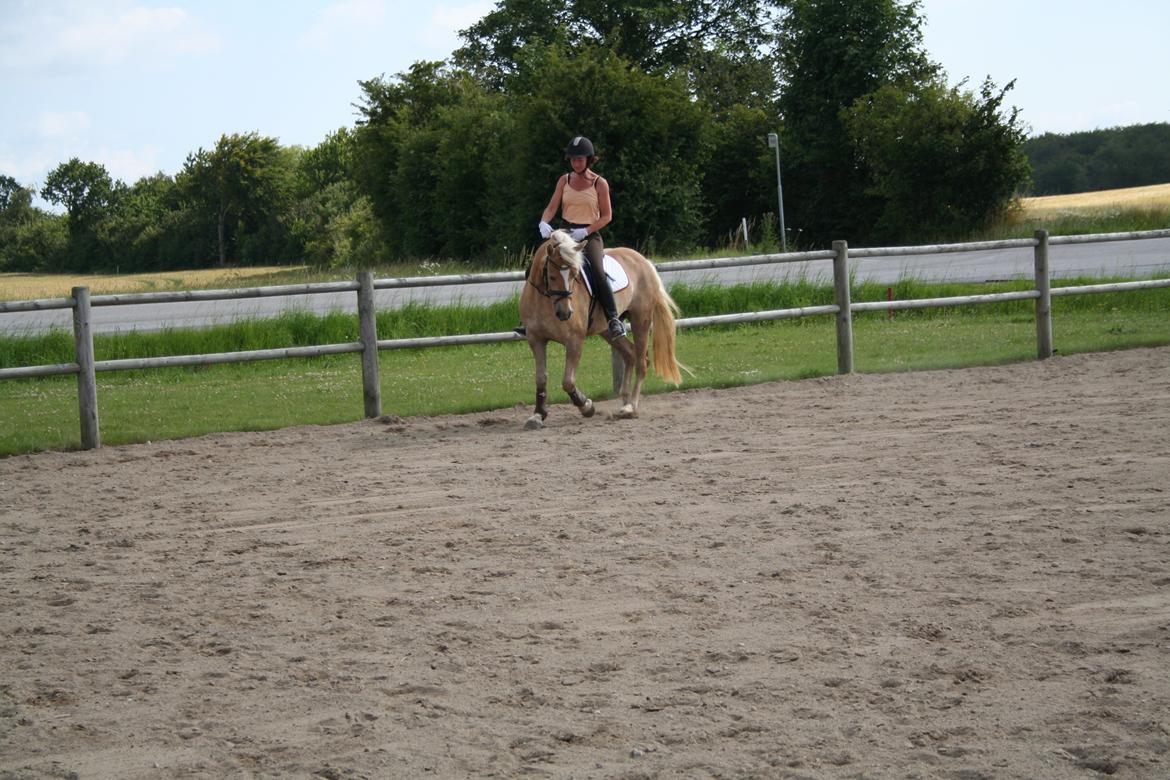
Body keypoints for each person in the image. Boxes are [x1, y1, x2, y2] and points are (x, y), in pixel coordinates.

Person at [526, 136, 627, 339]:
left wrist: (587, 231)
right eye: (573, 160)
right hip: (564, 233)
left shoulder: (600, 183)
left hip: (589, 236)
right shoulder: (564, 180)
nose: (576, 163)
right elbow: (552, 207)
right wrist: (544, 222)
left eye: (580, 159)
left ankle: (613, 319)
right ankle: (530, 319)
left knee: (598, 271)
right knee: (533, 267)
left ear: (589, 160)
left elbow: (607, 216)